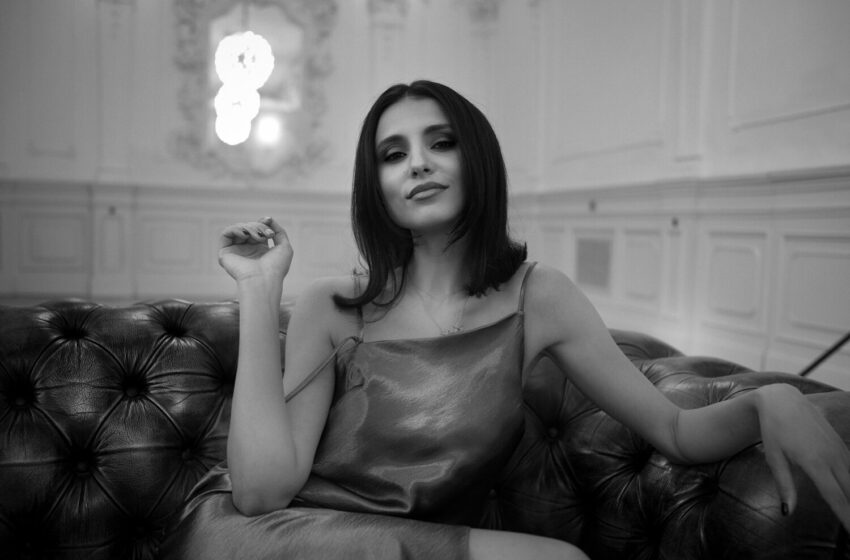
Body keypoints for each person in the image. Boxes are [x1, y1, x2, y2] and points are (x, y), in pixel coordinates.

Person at [164, 80, 850, 559]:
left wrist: (768, 402)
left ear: (477, 159)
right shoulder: (333, 305)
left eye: (441, 142)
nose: (418, 163)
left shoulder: (539, 298)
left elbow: (674, 430)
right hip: (272, 538)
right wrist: (260, 290)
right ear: (377, 188)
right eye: (393, 154)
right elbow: (262, 491)